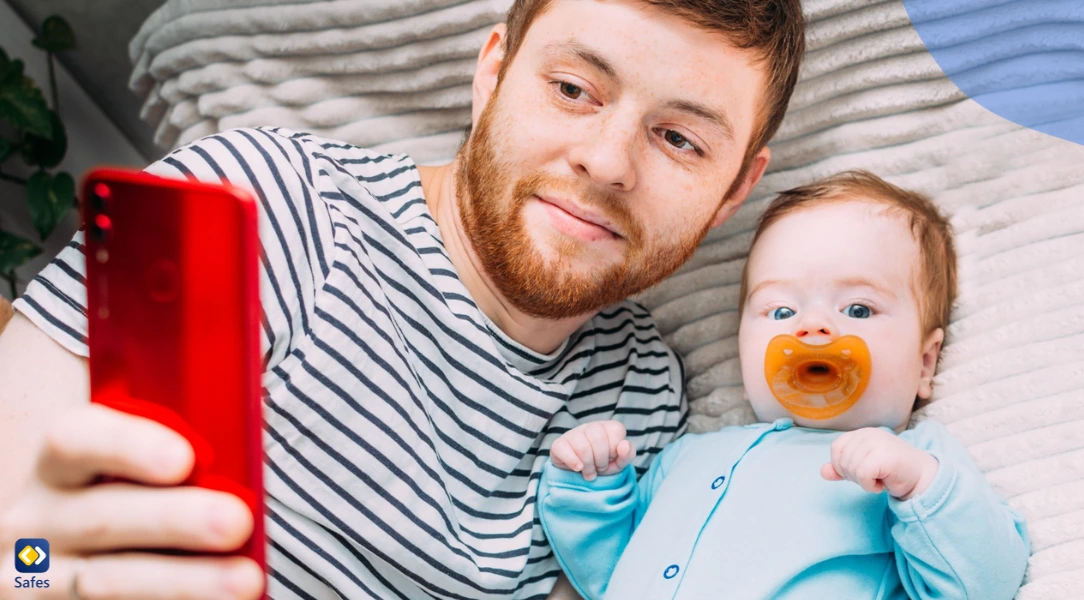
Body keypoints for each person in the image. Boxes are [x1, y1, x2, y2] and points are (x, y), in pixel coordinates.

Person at [0, 0, 805, 598]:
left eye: (679, 140)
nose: (607, 160)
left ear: (734, 191)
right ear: (492, 72)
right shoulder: (252, 203)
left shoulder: (644, 397)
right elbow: (20, 526)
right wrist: (30, 576)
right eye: (572, 88)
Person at [538, 171, 1031, 599]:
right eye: (781, 311)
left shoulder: (915, 464)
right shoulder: (687, 457)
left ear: (926, 363)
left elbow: (985, 583)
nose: (813, 328)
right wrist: (593, 488)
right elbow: (607, 575)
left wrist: (921, 487)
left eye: (857, 309)